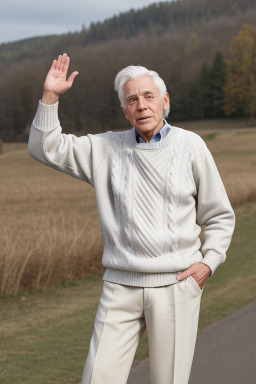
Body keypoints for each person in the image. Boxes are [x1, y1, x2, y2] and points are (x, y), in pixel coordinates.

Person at [28, 53, 235, 384]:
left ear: (165, 101)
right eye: (132, 100)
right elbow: (43, 148)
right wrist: (51, 96)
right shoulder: (106, 149)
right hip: (120, 285)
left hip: (177, 284)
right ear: (125, 111)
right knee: (97, 378)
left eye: (149, 96)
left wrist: (208, 262)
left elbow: (220, 215)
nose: (141, 105)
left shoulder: (191, 146)